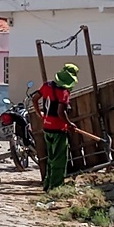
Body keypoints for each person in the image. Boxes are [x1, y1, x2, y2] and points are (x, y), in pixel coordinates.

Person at [31, 64, 79, 192]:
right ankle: (56, 187)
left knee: (51, 158)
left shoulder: (46, 86)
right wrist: (69, 124)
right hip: (59, 130)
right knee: (59, 159)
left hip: (47, 127)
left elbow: (35, 98)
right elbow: (60, 112)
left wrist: (39, 113)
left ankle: (47, 184)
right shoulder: (63, 93)